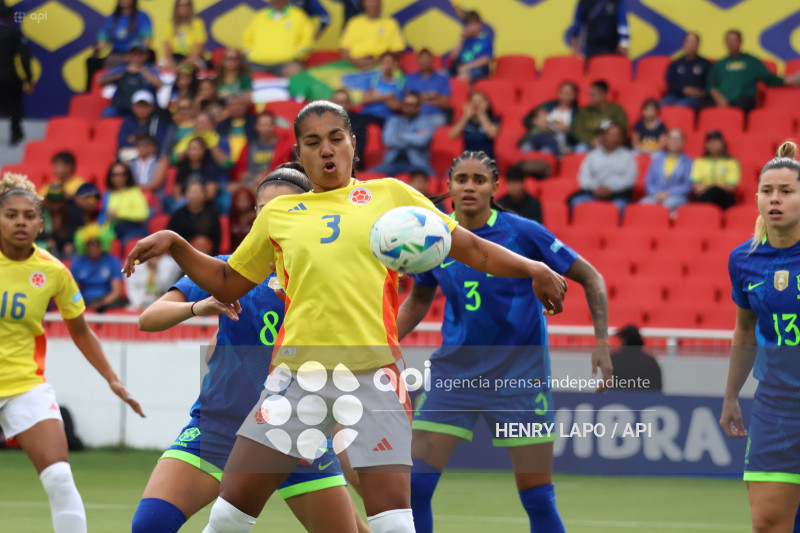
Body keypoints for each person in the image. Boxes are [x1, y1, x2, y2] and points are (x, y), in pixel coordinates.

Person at [121, 100, 567, 533]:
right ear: (299, 153)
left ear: (354, 143)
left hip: (375, 377)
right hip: (295, 379)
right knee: (230, 516)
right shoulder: (278, 214)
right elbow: (227, 279)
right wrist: (178, 244)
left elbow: (470, 247)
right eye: (312, 142)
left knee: (393, 521)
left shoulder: (390, 195)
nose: (326, 149)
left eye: (336, 138)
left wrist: (533, 266)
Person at [132, 168, 368, 533]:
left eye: (283, 208)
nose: (270, 218)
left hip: (297, 429)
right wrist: (198, 307)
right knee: (150, 526)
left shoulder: (325, 280)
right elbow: (150, 318)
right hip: (219, 426)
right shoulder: (224, 270)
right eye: (262, 210)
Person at [398, 150, 611, 533]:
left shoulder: (523, 233)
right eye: (461, 179)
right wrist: (382, 341)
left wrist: (601, 343)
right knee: (413, 486)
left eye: (479, 180)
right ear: (448, 185)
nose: (469, 187)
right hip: (454, 376)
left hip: (520, 380)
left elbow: (592, 277)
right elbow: (417, 300)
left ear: (495, 188)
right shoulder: (434, 236)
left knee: (537, 496)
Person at [0, 172, 143, 533]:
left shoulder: (53, 271)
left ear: (40, 222)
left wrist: (113, 379)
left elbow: (81, 331)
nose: (20, 222)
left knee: (60, 479)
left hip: (23, 386)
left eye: (29, 216)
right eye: (11, 214)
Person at [721, 141, 800, 532]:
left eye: (786, 191)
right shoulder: (744, 259)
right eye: (768, 191)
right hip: (776, 407)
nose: (775, 199)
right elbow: (745, 330)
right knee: (768, 523)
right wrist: (732, 395)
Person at [708, 30, 798, 113]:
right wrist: (719, 99)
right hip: (723, 101)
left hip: (744, 102)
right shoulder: (719, 64)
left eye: (733, 40)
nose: (731, 43)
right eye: (728, 40)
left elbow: (770, 79)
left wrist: (791, 79)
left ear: (740, 42)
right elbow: (711, 85)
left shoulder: (752, 62)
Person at [86, 0, 153, 91]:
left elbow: (147, 40)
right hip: (116, 54)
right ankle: (89, 91)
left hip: (134, 54)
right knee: (92, 61)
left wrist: (137, 56)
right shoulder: (112, 18)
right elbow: (102, 40)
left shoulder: (142, 16)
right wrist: (98, 48)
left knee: (120, 60)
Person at [569, 122, 636, 211]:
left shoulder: (628, 157)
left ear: (621, 138)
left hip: (617, 195)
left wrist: (610, 189)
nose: (611, 137)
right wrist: (595, 188)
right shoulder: (593, 155)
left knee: (621, 206)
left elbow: (629, 180)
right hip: (593, 193)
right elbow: (584, 177)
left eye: (615, 135)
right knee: (576, 202)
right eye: (608, 134)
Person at [243, 0, 313, 78]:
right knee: (240, 77)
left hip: (287, 62)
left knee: (296, 76)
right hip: (256, 62)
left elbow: (307, 38)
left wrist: (298, 55)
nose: (277, 1)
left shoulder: (298, 15)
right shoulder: (260, 15)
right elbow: (247, 37)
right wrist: (249, 52)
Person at [372, 91, 436, 177]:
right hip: (392, 163)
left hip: (418, 165)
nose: (409, 108)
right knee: (370, 177)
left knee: (432, 178)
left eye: (413, 105)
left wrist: (400, 135)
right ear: (402, 105)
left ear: (418, 107)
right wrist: (414, 136)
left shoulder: (426, 122)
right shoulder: (393, 120)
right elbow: (387, 140)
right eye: (406, 104)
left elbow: (422, 141)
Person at [233, 112, 293, 191]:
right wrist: (242, 176)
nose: (265, 128)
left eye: (268, 125)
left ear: (274, 126)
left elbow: (285, 169)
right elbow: (239, 169)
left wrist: (266, 176)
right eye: (262, 125)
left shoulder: (285, 146)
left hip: (274, 183)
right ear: (256, 127)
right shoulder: (248, 146)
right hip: (249, 183)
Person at [40, 152, 86, 257]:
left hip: (74, 230)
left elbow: (91, 207)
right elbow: (36, 205)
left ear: (69, 166)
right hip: (52, 232)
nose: (54, 170)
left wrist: (71, 197)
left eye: (57, 166)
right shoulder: (51, 186)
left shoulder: (82, 184)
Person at [99, 45, 163, 118]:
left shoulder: (151, 69)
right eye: (133, 54)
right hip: (121, 106)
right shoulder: (121, 68)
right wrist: (123, 74)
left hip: (143, 107)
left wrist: (141, 70)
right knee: (108, 113)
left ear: (145, 56)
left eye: (139, 55)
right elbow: (100, 81)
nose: (135, 57)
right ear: (128, 56)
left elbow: (159, 85)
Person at [0, 6, 33, 146]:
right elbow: (25, 59)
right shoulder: (15, 33)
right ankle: (15, 133)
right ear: (11, 18)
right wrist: (28, 79)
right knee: (15, 105)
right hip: (9, 75)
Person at [339, 0, 405, 71]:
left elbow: (397, 50)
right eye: (370, 1)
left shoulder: (391, 23)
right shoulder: (353, 22)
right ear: (364, 3)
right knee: (327, 73)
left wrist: (376, 61)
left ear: (380, 4)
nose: (373, 4)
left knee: (393, 78)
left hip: (381, 66)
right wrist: (355, 61)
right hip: (354, 65)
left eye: (376, 1)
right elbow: (344, 49)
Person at [71, 232, 126, 313]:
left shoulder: (113, 261)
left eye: (96, 244)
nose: (92, 248)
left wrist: (101, 303)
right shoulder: (78, 263)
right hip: (85, 303)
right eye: (89, 244)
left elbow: (116, 292)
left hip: (108, 303)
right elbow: (72, 290)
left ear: (102, 245)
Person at [640, 129, 693, 212]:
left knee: (666, 205)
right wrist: (657, 194)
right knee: (643, 204)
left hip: (677, 197)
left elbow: (687, 186)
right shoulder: (656, 160)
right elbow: (649, 182)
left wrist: (668, 193)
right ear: (667, 141)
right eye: (671, 138)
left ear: (683, 142)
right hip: (655, 196)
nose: (673, 141)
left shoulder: (688, 162)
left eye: (677, 139)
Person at [98, 162, 149, 246]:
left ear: (127, 176)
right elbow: (102, 217)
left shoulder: (134, 191)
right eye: (114, 175)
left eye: (121, 174)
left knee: (127, 242)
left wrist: (118, 213)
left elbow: (143, 214)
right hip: (113, 229)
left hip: (132, 227)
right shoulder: (107, 194)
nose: (118, 177)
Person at [167, 179, 221, 256]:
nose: (195, 196)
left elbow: (217, 239)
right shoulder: (178, 214)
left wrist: (205, 245)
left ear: (204, 195)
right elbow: (170, 237)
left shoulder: (212, 214)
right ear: (186, 194)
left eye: (198, 192)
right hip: (182, 255)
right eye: (192, 192)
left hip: (208, 256)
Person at [522, 81, 579, 155]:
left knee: (547, 150)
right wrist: (537, 122)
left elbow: (579, 135)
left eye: (568, 93)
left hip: (560, 140)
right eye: (563, 92)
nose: (565, 95)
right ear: (559, 93)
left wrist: (568, 129)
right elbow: (527, 119)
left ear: (574, 95)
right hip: (541, 135)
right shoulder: (548, 106)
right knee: (526, 148)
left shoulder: (578, 113)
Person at [571, 80, 627, 151]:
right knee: (580, 149)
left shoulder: (616, 110)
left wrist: (605, 140)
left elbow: (622, 129)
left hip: (612, 144)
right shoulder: (584, 111)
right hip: (588, 144)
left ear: (604, 95)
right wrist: (591, 140)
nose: (590, 98)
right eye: (590, 95)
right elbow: (578, 130)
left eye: (594, 95)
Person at [690, 130, 740, 210]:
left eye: (716, 141)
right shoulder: (699, 162)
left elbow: (731, 187)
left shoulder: (731, 162)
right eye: (710, 142)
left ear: (722, 143)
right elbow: (697, 188)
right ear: (706, 145)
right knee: (713, 191)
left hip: (724, 198)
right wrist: (718, 186)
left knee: (715, 191)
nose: (713, 144)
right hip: (705, 196)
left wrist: (709, 187)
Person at [661, 32, 713, 110]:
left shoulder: (706, 64)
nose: (690, 45)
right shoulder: (675, 64)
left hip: (694, 98)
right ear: (684, 44)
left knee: (681, 106)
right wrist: (684, 90)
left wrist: (702, 93)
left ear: (698, 44)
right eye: (688, 41)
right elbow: (670, 83)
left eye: (693, 42)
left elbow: (711, 84)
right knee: (661, 105)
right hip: (674, 96)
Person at [118, 90, 173, 160]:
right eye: (139, 106)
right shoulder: (128, 121)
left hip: (151, 157)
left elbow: (158, 142)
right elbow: (122, 141)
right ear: (133, 107)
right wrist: (144, 142)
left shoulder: (156, 122)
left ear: (151, 108)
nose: (141, 109)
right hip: (130, 155)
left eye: (144, 106)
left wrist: (136, 139)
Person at [402, 48, 450, 128]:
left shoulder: (442, 79)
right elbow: (407, 99)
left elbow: (446, 103)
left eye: (427, 59)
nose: (424, 61)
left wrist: (420, 97)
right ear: (417, 60)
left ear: (432, 60)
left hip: (435, 116)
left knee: (425, 125)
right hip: (413, 116)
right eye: (422, 59)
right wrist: (431, 97)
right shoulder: (410, 78)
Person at [610, 325, 662, 391]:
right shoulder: (650, 361)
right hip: (645, 400)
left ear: (624, 340)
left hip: (618, 400)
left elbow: (608, 388)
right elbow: (658, 390)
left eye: (620, 339)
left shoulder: (614, 359)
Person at [449, 91, 499, 159]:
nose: (476, 104)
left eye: (480, 101)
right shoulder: (465, 121)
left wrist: (481, 115)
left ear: (487, 104)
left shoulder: (493, 120)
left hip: (486, 160)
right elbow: (452, 135)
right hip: (468, 160)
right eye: (473, 101)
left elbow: (492, 134)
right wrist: (465, 116)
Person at [163, 0, 208, 72]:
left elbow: (198, 49)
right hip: (174, 57)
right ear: (176, 8)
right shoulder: (170, 24)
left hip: (192, 58)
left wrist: (183, 65)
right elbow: (167, 49)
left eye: (186, 5)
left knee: (191, 68)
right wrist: (171, 64)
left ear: (190, 8)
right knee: (160, 67)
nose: (182, 8)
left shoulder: (197, 23)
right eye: (180, 5)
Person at [360, 52, 403, 126]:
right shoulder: (372, 79)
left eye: (389, 62)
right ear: (380, 64)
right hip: (366, 113)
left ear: (395, 65)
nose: (386, 66)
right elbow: (365, 99)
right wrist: (388, 96)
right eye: (384, 63)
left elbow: (396, 106)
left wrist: (376, 95)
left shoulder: (398, 84)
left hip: (384, 117)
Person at [449, 10, 493, 83]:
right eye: (469, 24)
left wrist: (466, 67)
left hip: (478, 70)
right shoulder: (466, 39)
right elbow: (453, 56)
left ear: (480, 24)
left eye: (474, 24)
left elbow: (485, 60)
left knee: (463, 77)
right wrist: (462, 38)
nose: (472, 27)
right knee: (441, 75)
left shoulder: (485, 39)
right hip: (459, 67)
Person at [330, 89, 369, 168]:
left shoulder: (359, 123)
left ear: (349, 104)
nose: (341, 106)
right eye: (338, 102)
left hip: (351, 164)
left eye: (344, 102)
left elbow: (357, 151)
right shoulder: (323, 121)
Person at [216, 93, 256, 165]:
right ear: (227, 107)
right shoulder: (221, 125)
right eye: (232, 105)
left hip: (250, 163)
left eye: (240, 104)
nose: (236, 107)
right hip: (228, 164)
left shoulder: (254, 122)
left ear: (245, 106)